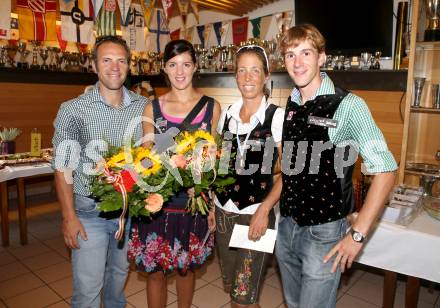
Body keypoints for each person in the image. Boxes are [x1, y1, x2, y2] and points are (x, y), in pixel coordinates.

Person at [249, 24, 398, 308]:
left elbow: (386, 171)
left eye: (306, 53)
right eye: (291, 55)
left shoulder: (349, 105)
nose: (298, 62)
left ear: (322, 58)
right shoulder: (291, 103)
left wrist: (357, 235)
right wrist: (267, 206)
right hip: (288, 226)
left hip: (325, 233)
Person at [52, 36, 148, 307]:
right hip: (88, 214)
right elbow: (63, 167)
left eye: (121, 60)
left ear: (129, 66)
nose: (114, 67)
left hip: (128, 213)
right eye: (106, 60)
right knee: (88, 290)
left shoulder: (144, 107)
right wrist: (68, 216)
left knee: (117, 281)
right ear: (94, 65)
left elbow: (153, 156)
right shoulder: (73, 110)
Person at [128, 39, 221, 308]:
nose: (179, 71)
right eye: (172, 65)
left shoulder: (211, 107)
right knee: (155, 273)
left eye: (186, 64)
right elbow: (145, 160)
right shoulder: (151, 108)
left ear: (195, 67)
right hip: (158, 204)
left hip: (192, 204)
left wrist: (208, 199)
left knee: (185, 269)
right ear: (164, 69)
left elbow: (211, 159)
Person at [214, 45, 284, 308]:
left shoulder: (276, 117)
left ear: (266, 76)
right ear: (235, 76)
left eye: (255, 70)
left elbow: (289, 172)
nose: (247, 77)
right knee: (236, 291)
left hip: (256, 214)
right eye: (242, 70)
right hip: (223, 212)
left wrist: (265, 210)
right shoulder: (227, 116)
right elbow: (222, 167)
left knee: (243, 297)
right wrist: (212, 204)